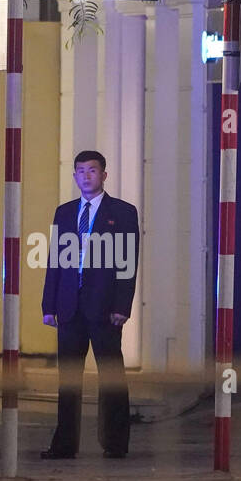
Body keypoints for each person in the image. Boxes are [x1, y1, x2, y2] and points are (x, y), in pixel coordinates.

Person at [40, 151, 140, 459]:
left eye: (92, 170)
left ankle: (115, 443)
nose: (86, 176)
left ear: (104, 175)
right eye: (80, 171)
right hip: (69, 307)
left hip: (105, 307)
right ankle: (64, 445)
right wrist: (49, 305)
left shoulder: (122, 212)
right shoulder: (65, 213)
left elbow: (127, 262)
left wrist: (123, 305)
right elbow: (55, 261)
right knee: (68, 378)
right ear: (74, 176)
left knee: (111, 375)